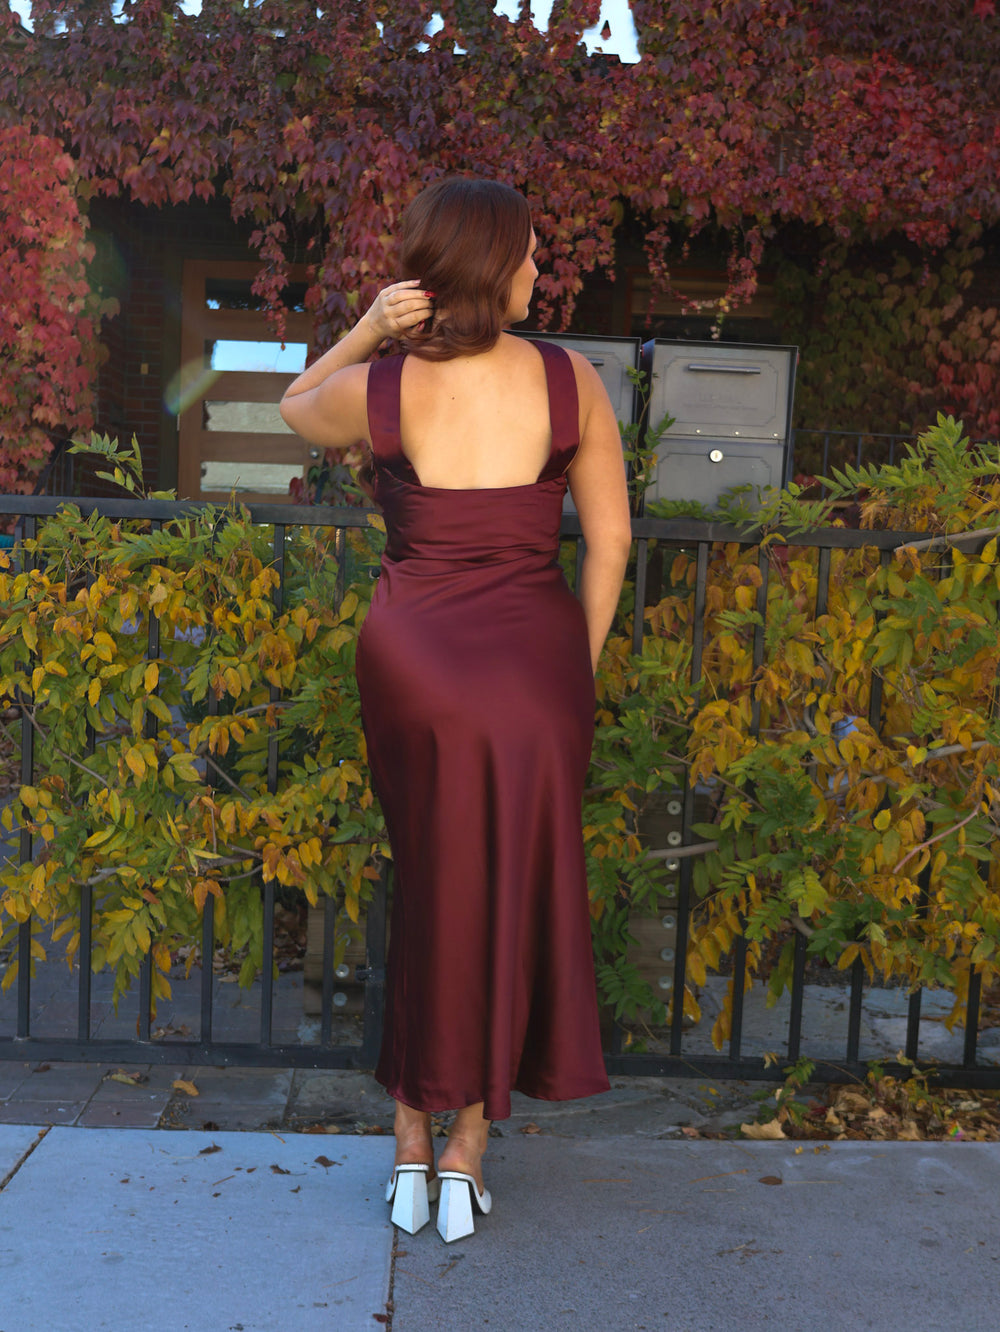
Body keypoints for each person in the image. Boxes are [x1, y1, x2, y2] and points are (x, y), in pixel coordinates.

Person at [280, 177, 631, 1243]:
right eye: (529, 253)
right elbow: (609, 547)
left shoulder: (381, 388)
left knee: (429, 884)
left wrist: (362, 329)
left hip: (414, 663)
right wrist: (566, 669)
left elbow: (295, 407)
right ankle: (470, 1149)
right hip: (533, 667)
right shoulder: (571, 381)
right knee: (506, 895)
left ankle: (407, 1150)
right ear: (490, 265)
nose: (539, 270)